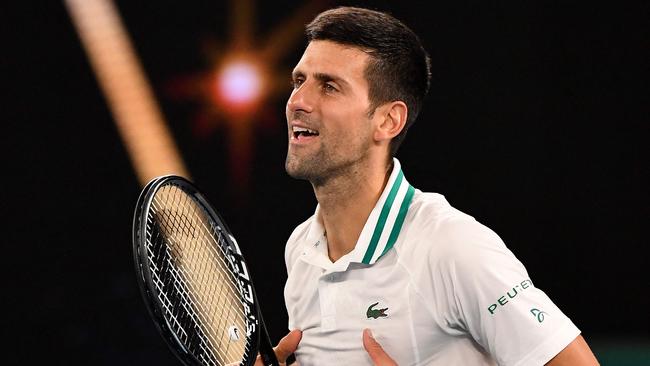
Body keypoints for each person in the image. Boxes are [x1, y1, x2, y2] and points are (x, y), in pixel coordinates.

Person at [258, 6, 600, 366]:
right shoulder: (300, 248)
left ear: (388, 121)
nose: (298, 101)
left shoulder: (453, 247)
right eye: (299, 81)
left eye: (329, 86)